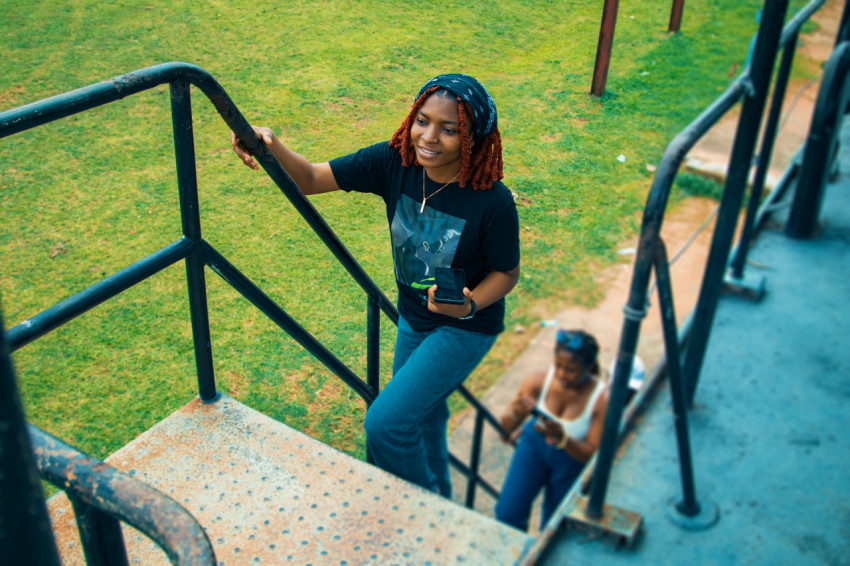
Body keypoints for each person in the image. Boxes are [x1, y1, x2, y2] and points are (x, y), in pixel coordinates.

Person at [231, 74, 521, 498]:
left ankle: (427, 510)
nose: (430, 137)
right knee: (423, 417)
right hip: (413, 319)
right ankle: (441, 494)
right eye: (423, 121)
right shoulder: (395, 162)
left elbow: (507, 274)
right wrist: (269, 144)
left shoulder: (492, 201)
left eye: (450, 128)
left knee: (387, 424)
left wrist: (469, 305)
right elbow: (311, 178)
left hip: (464, 328)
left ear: (473, 136)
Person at [495, 328, 609, 532]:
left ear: (590, 368)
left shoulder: (601, 399)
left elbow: (591, 453)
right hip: (534, 447)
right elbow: (504, 431)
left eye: (571, 369)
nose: (561, 374)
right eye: (558, 366)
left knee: (555, 526)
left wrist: (562, 438)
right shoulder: (539, 379)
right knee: (507, 512)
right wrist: (515, 415)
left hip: (571, 460)